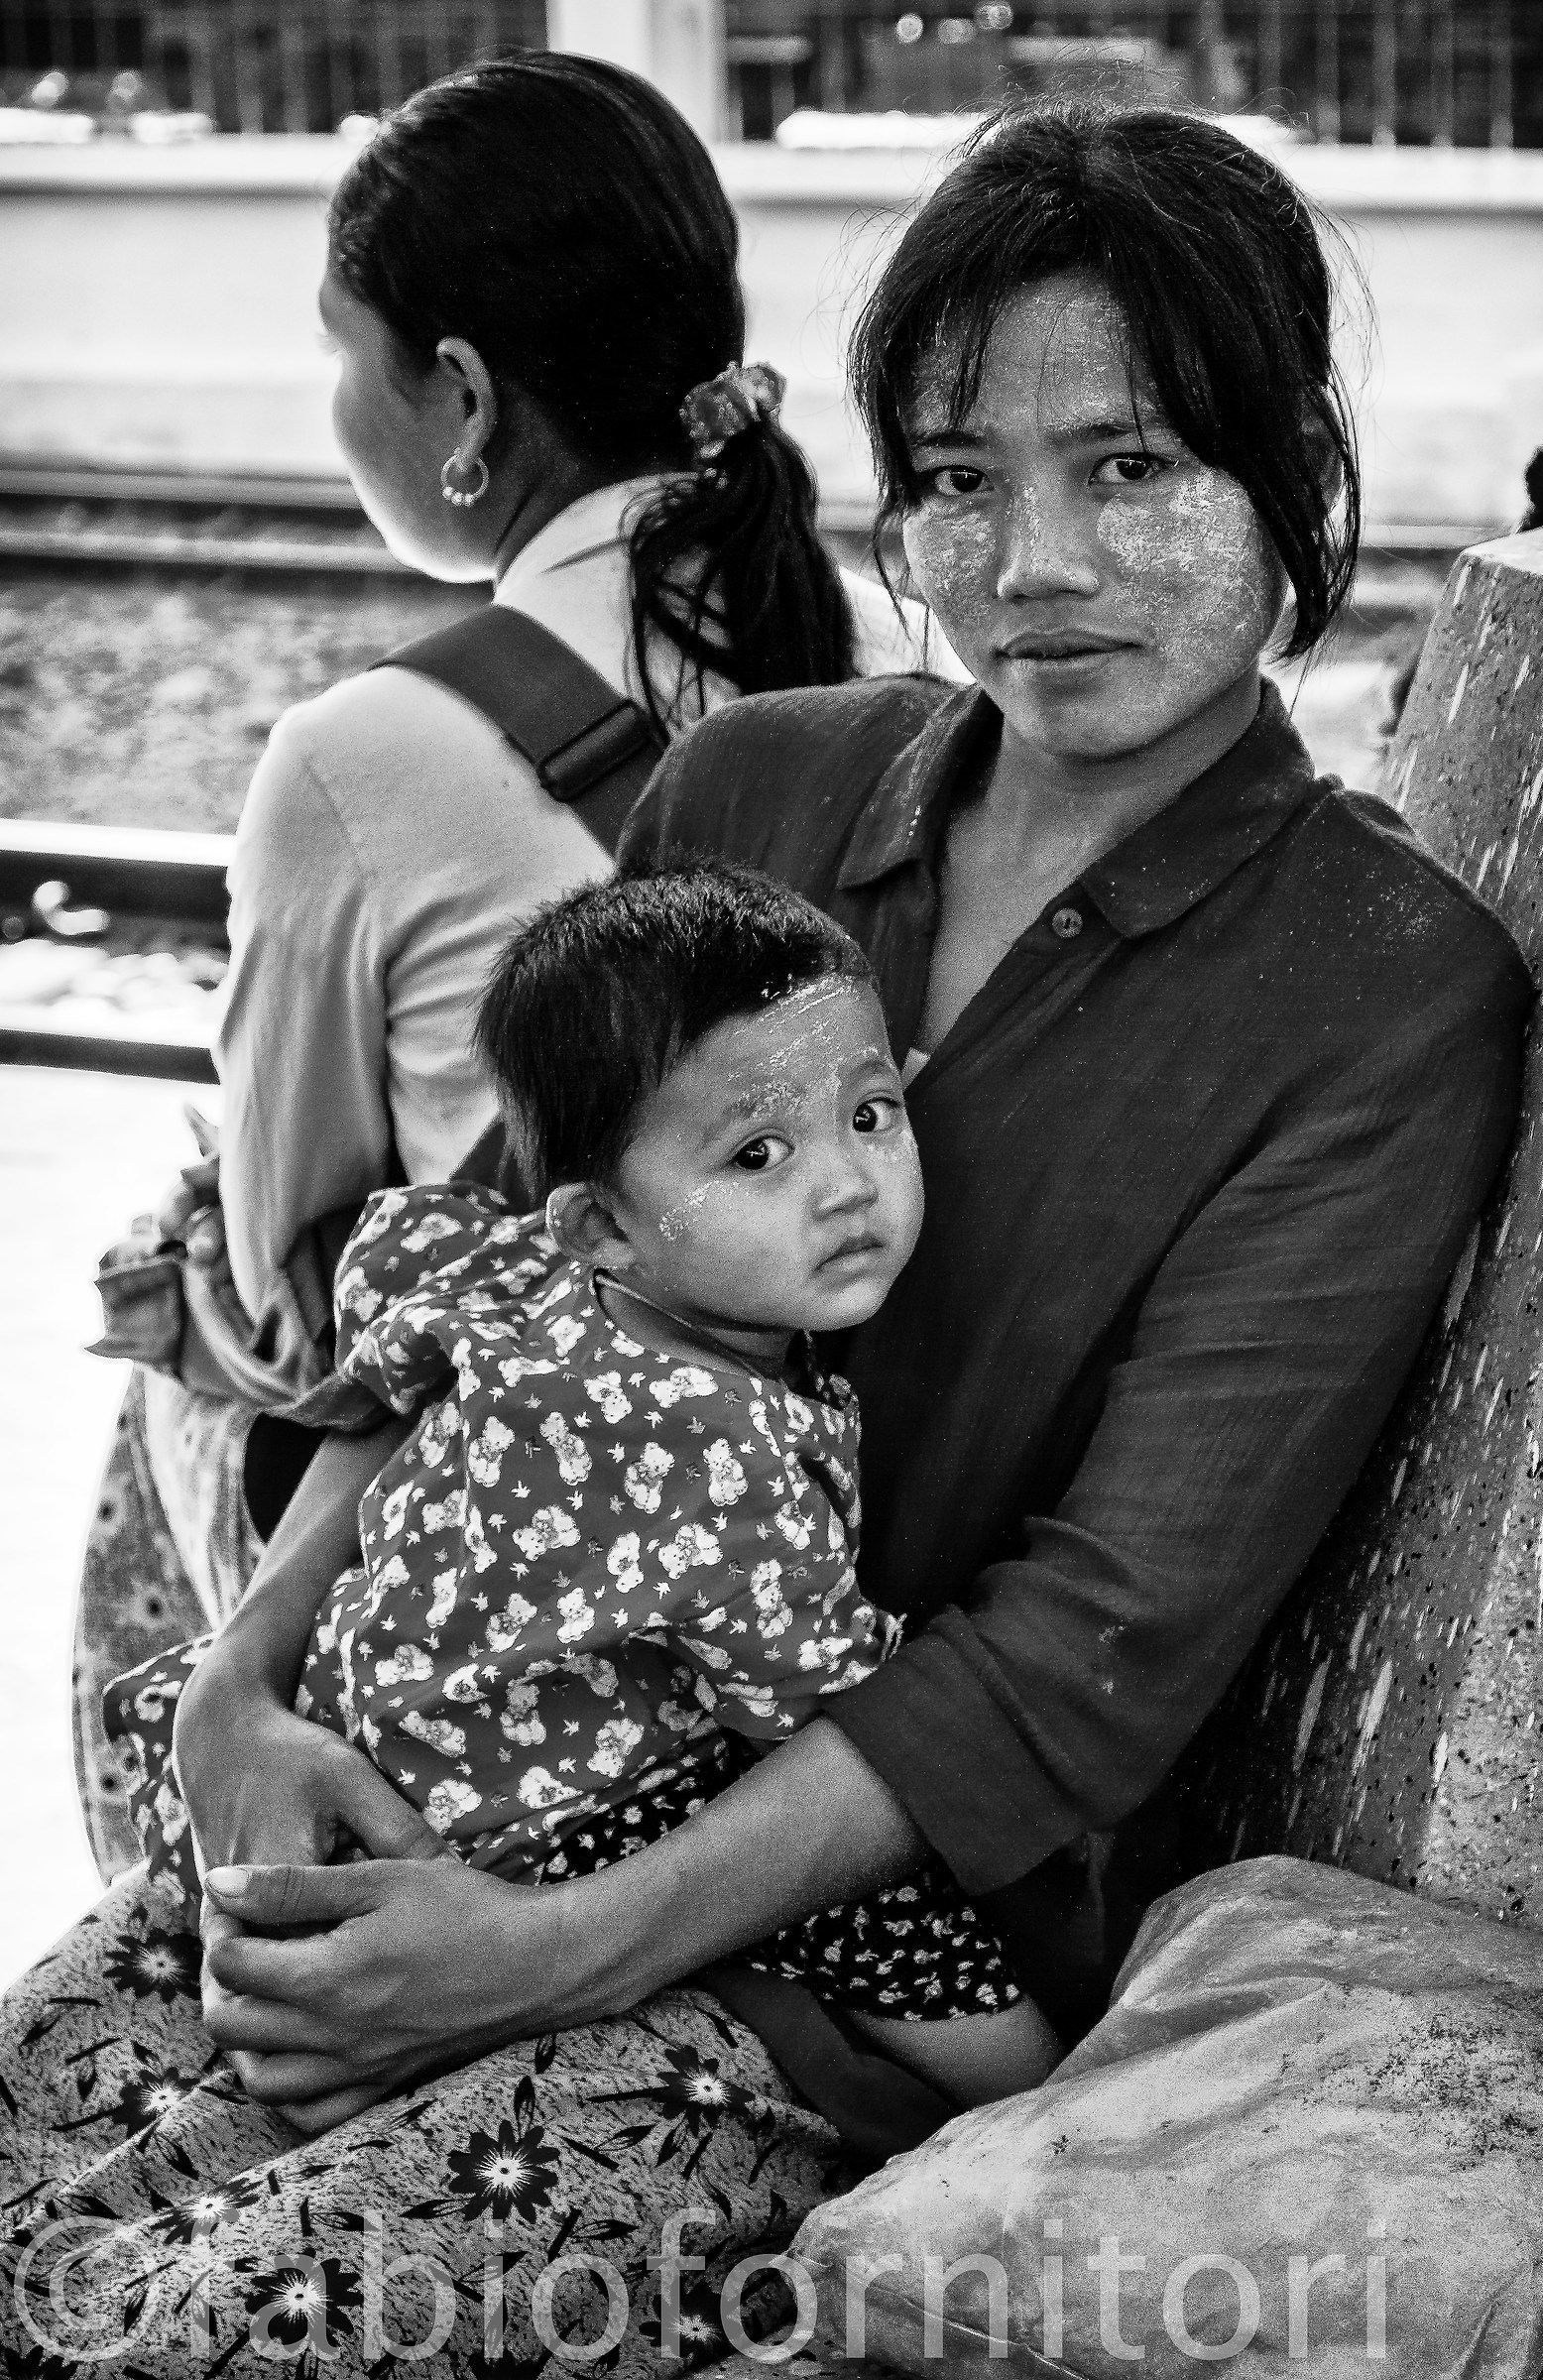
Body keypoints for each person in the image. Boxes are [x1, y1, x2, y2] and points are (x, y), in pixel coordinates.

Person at [6, 103, 1531, 2373]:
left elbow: (1084, 1636)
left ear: (1286, 464)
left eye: (1128, 465)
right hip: (455, 1772)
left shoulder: (1374, 987)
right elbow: (479, 1282)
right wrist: (238, 1688)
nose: (1031, 559)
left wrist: (540, 1953)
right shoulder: (762, 792)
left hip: (831, 1985)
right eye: (952, 476)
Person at [75, 49, 957, 1877]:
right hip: (832, 1476)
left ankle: (195, 1889)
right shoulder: (889, 658)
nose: (337, 399)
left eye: (346, 347)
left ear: (460, 396)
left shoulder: (363, 753)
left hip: (543, 1553)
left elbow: (288, 1260)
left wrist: (185, 1284)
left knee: (165, 1365)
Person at [110, 865, 1055, 2112]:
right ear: (599, 1228)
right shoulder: (718, 1449)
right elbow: (836, 1717)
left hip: (358, 1754)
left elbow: (398, 1331)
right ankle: (1039, 2113)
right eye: (759, 1152)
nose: (846, 1186)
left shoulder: (531, 1288)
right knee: (875, 1894)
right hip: (496, 1839)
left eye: (873, 1114)